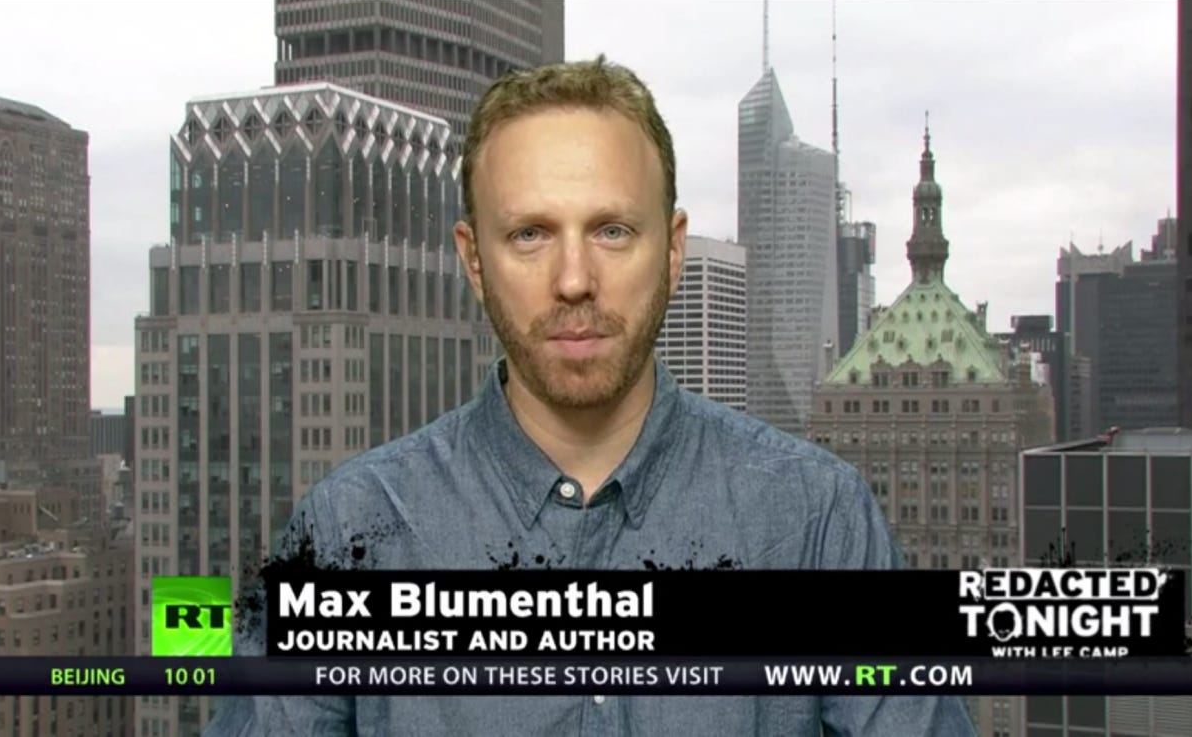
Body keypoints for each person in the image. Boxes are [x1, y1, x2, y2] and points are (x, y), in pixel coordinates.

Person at [205, 54, 975, 736]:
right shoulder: (347, 534)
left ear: (672, 251)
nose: (574, 280)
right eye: (531, 234)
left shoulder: (818, 525)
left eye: (611, 230)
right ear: (474, 260)